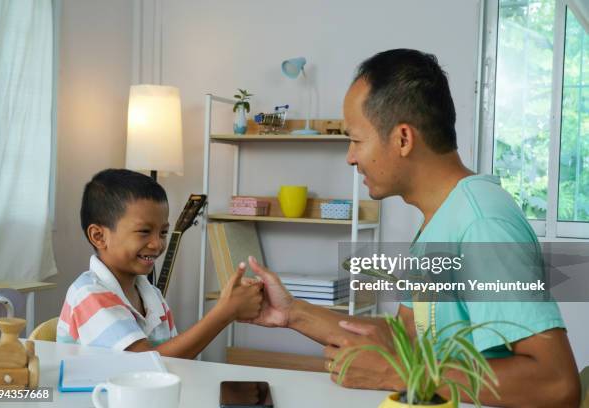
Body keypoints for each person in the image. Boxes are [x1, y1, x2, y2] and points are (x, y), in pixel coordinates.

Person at [244, 49, 580, 407]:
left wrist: (399, 373)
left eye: (356, 140)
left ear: (403, 139)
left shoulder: (483, 224)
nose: (350, 157)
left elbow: (556, 384)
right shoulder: (441, 219)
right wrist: (291, 311)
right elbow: (405, 337)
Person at [57, 169, 263, 358]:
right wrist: (224, 312)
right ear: (99, 236)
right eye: (144, 231)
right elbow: (146, 364)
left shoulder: (151, 294)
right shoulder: (88, 294)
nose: (157, 244)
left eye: (163, 232)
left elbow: (175, 357)